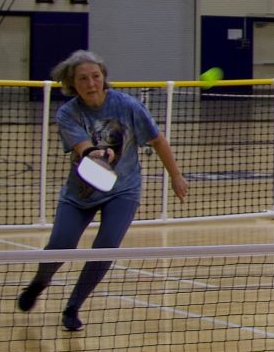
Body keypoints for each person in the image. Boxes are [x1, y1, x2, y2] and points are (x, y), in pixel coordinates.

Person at [16, 50, 190, 332]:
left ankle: (73, 307)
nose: (91, 83)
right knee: (60, 246)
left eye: (95, 76)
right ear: (73, 84)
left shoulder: (128, 106)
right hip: (81, 192)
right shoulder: (68, 113)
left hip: (123, 191)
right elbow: (83, 148)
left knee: (105, 248)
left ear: (104, 78)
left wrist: (176, 176)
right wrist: (98, 154)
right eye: (83, 79)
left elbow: (158, 140)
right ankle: (40, 281)